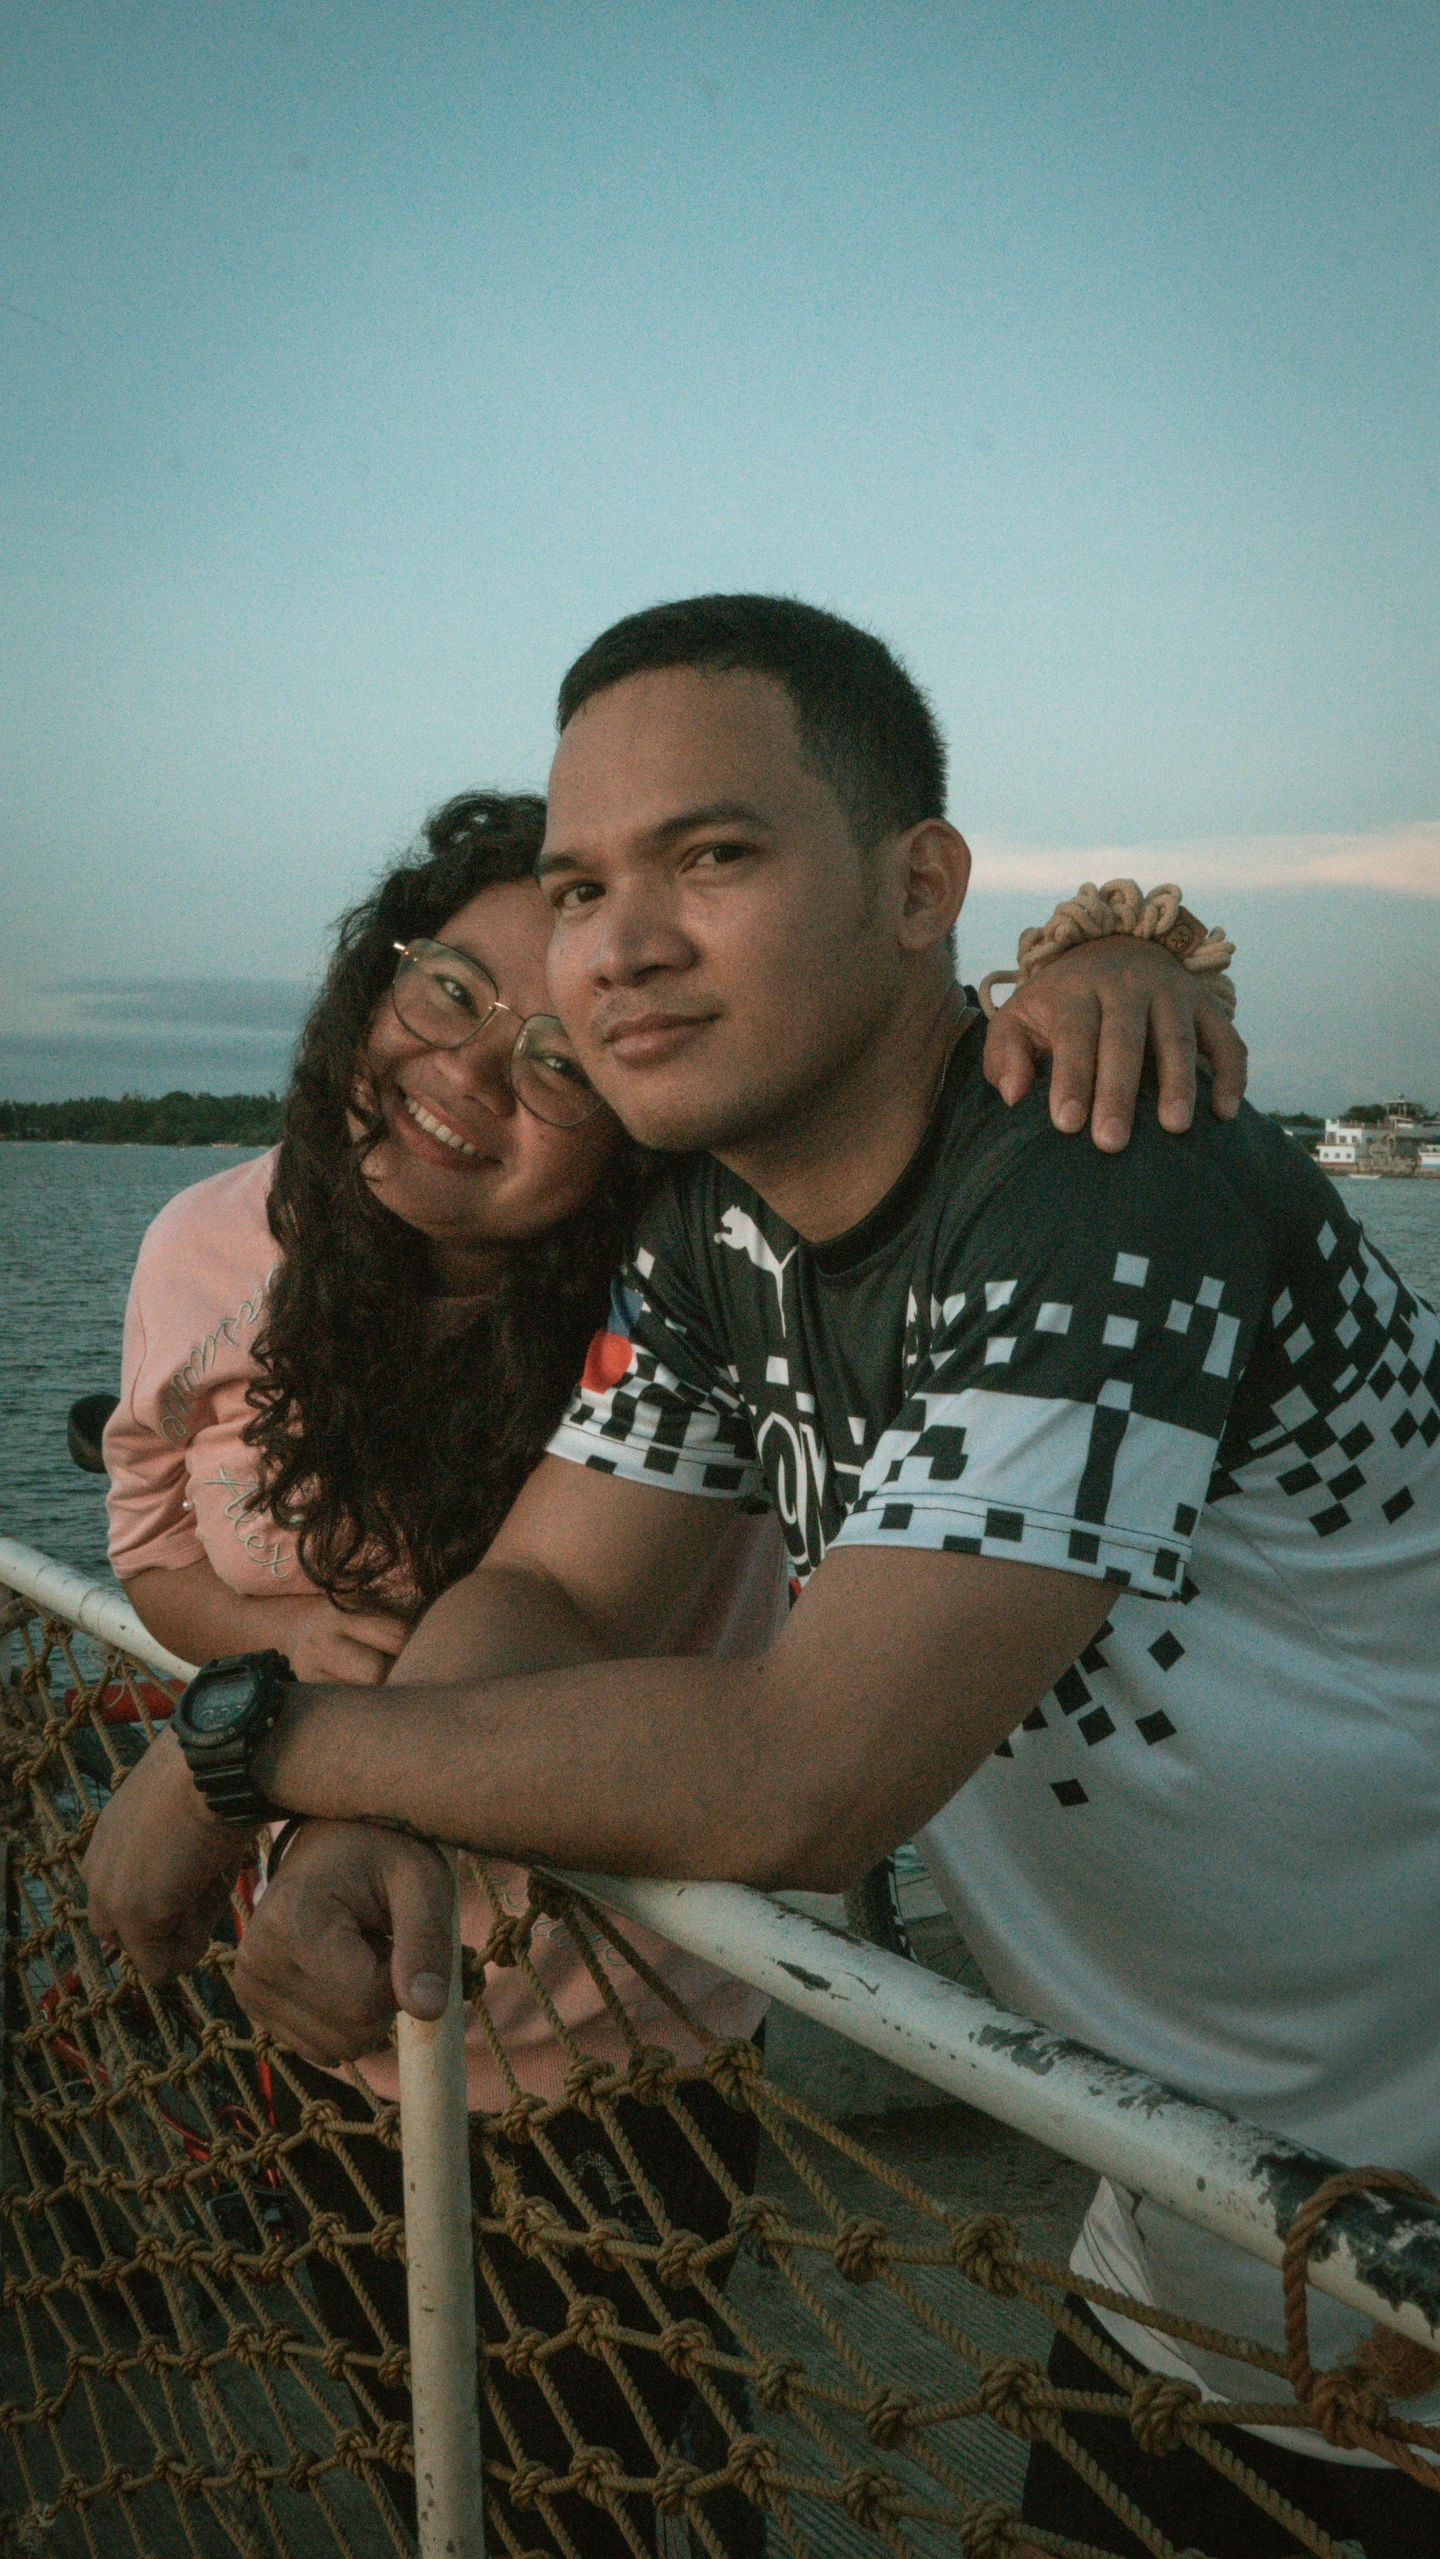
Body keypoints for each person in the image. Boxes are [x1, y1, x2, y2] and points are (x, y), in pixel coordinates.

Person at [86, 592, 1436, 2556]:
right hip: (1211, 2212)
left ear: (921, 888)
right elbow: (553, 1587)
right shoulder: (712, 1236)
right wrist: (377, 1794)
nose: (617, 938)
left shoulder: (1098, 1172)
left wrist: (267, 1749)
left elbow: (808, 1776)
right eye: (578, 881)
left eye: (711, 854)